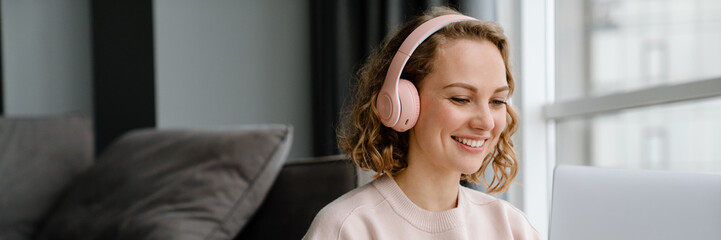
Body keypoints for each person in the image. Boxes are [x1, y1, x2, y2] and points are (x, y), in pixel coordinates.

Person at [304, 7, 540, 240]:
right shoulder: (346, 228)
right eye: (461, 99)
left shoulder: (513, 228)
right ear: (403, 102)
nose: (486, 122)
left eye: (497, 101)